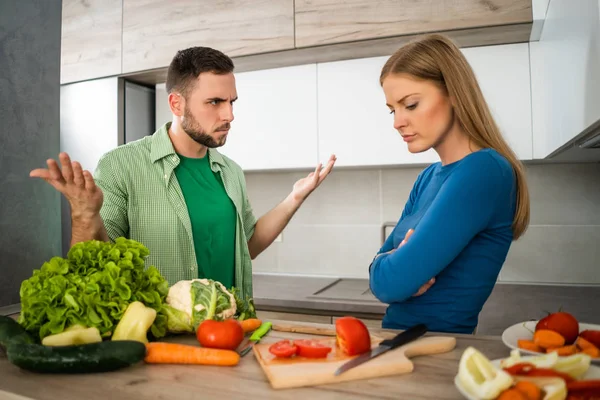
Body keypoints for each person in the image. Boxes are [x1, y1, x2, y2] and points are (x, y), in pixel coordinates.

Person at [30, 46, 336, 301]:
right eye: (215, 102)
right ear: (177, 103)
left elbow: (248, 246)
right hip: (165, 344)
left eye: (231, 102)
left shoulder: (230, 172)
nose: (229, 115)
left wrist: (294, 198)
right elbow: (94, 270)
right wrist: (84, 216)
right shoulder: (121, 165)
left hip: (232, 333)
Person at [369, 34, 530, 334]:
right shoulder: (428, 177)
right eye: (393, 109)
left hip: (436, 353)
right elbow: (380, 278)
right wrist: (387, 266)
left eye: (411, 104)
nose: (397, 122)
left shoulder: (484, 171)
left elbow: (392, 283)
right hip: (395, 346)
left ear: (454, 93)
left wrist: (390, 264)